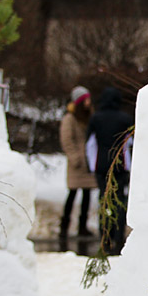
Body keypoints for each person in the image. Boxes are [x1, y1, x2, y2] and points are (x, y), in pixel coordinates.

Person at [86, 86, 133, 253]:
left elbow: (90, 144)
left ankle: (105, 238)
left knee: (104, 200)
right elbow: (129, 144)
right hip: (120, 166)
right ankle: (119, 238)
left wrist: (92, 166)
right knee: (119, 201)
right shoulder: (125, 119)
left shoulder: (95, 118)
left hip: (101, 167)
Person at [59, 86, 97, 239]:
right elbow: (67, 139)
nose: (89, 102)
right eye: (85, 99)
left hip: (88, 162)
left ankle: (83, 227)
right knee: (72, 193)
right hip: (77, 163)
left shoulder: (90, 116)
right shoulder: (70, 118)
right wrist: (75, 158)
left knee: (87, 195)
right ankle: (64, 227)